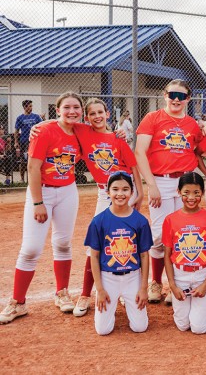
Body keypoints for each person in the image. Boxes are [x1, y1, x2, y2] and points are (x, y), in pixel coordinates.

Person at [31, 98, 144, 317]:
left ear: (108, 114)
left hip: (126, 191)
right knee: (97, 241)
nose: (97, 117)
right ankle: (85, 293)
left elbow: (133, 167)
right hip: (105, 192)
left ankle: (125, 290)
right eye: (92, 114)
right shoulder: (83, 131)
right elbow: (62, 121)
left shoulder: (117, 137)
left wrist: (139, 194)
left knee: (127, 241)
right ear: (86, 117)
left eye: (100, 112)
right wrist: (39, 125)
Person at [0, 92, 83, 324]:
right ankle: (18, 302)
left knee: (63, 243)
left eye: (76, 107)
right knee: (31, 248)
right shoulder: (45, 130)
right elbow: (33, 167)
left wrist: (115, 132)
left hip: (67, 190)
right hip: (42, 191)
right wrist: (38, 202)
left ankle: (62, 292)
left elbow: (103, 136)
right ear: (58, 110)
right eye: (66, 107)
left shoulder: (81, 131)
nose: (72, 111)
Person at [134, 79, 204, 304]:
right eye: (172, 94)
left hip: (185, 182)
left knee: (182, 233)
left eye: (181, 96)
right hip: (161, 182)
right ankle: (156, 282)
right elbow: (139, 151)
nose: (176, 99)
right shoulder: (153, 118)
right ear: (164, 95)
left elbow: (200, 150)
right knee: (159, 236)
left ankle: (179, 284)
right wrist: (151, 184)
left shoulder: (192, 124)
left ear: (188, 99)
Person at [84, 171, 152, 335]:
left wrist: (143, 288)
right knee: (103, 330)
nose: (120, 194)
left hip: (132, 277)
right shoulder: (99, 221)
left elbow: (144, 255)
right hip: (108, 278)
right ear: (108, 191)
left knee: (140, 327)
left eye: (125, 189)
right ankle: (111, 307)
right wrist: (100, 289)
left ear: (132, 192)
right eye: (115, 189)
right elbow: (94, 256)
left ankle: (126, 304)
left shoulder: (140, 221)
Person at [163, 172, 206, 334]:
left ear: (203, 193)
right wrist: (172, 286)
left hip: (201, 274)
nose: (191, 197)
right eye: (186, 193)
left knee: (199, 328)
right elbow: (167, 256)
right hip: (179, 274)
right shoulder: (170, 219)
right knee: (183, 326)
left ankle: (204, 305)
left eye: (196, 193)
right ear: (179, 192)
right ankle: (191, 307)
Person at [14, 99, 43, 183]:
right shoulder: (20, 118)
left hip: (35, 141)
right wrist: (16, 142)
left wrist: (43, 119)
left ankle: (35, 179)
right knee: (23, 161)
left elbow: (41, 127)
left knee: (36, 160)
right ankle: (22, 179)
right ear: (25, 107)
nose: (31, 108)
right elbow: (16, 131)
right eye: (30, 106)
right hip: (24, 141)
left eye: (31, 106)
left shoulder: (36, 117)